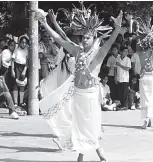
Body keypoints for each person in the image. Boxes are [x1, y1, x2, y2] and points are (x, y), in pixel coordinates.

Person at [36, 5, 123, 162]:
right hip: (77, 94)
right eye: (83, 37)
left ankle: (93, 153)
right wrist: (44, 23)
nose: (84, 39)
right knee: (78, 125)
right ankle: (84, 154)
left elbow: (110, 42)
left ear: (94, 38)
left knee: (91, 126)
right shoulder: (77, 51)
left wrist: (117, 28)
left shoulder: (99, 54)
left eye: (87, 38)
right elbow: (59, 39)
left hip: (90, 95)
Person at [11, 35, 29, 109]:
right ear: (20, 43)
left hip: (23, 67)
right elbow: (12, 60)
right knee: (15, 85)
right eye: (22, 42)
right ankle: (15, 102)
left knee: (22, 85)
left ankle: (21, 102)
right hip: (16, 67)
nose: (23, 44)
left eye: (25, 43)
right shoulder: (16, 49)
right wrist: (12, 70)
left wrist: (24, 71)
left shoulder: (28, 50)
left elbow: (27, 62)